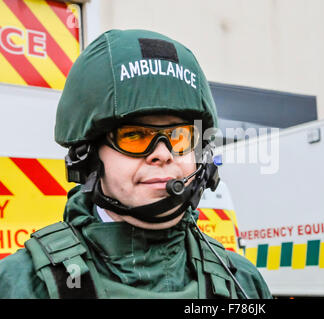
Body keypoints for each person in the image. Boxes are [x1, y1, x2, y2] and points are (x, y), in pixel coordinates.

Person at [0, 29, 272, 299]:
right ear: (88, 156)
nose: (163, 154)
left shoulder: (242, 283)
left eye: (179, 137)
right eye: (134, 136)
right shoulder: (21, 284)